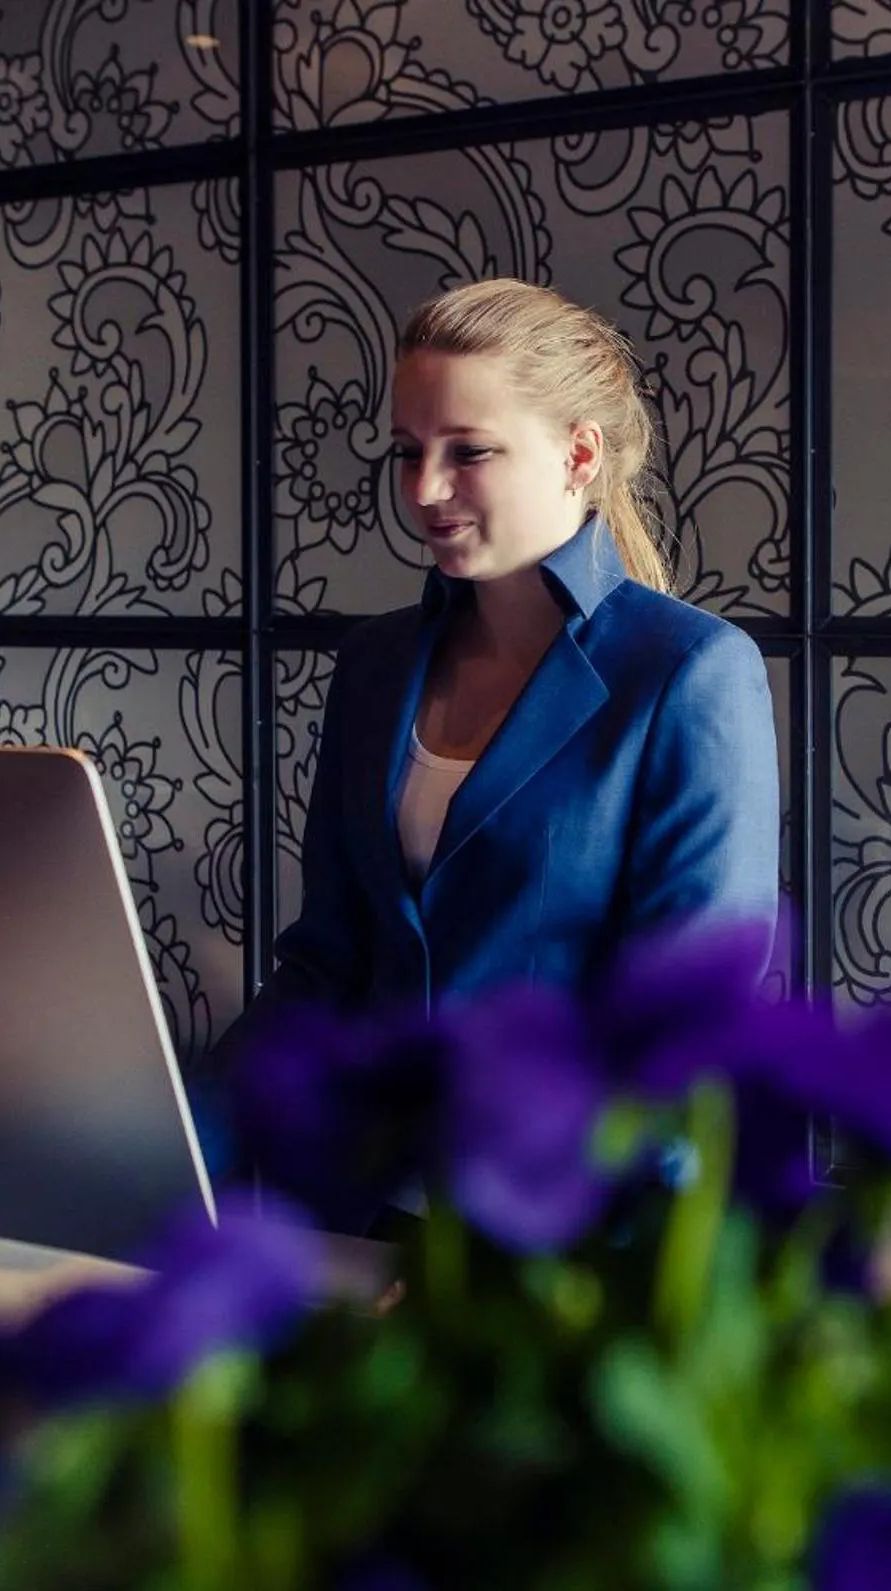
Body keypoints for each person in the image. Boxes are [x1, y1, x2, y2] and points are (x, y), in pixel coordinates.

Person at [215, 278, 780, 1133]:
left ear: (579, 455)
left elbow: (688, 1025)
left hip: (560, 1230)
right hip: (360, 1204)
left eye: (468, 452)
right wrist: (170, 1147)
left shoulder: (688, 672)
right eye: (407, 451)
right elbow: (326, 962)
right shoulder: (373, 665)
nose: (423, 490)